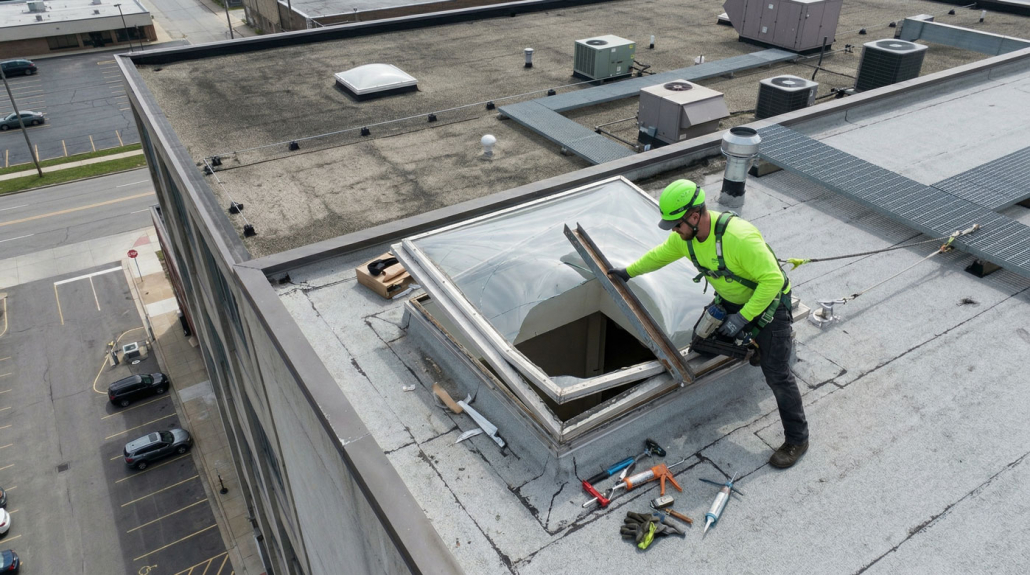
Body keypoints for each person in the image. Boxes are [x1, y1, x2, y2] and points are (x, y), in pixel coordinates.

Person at [611, 179, 809, 468]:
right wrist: (628, 272)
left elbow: (773, 280)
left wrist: (742, 319)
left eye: (677, 224)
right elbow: (659, 256)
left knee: (777, 375)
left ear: (693, 216)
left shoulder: (738, 237)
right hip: (730, 301)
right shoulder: (685, 239)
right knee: (702, 343)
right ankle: (754, 349)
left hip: (767, 305)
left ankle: (798, 439)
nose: (675, 232)